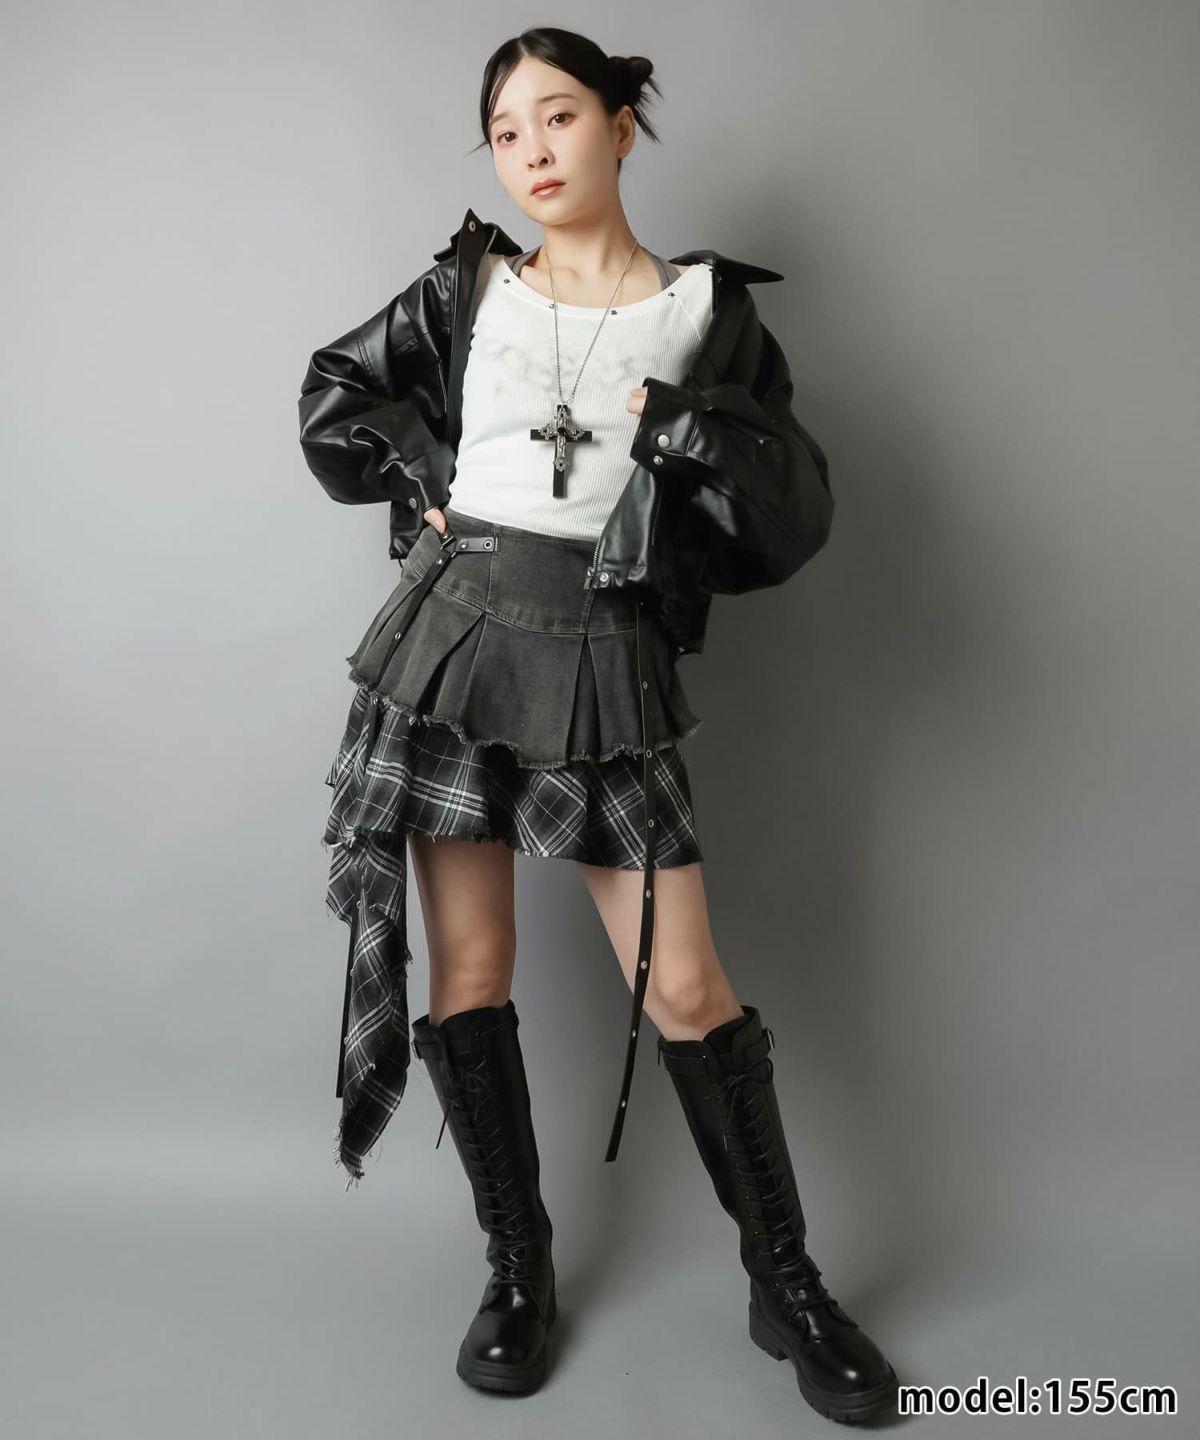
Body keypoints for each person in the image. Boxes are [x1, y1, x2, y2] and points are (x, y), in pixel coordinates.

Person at [297, 25, 898, 1422]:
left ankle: (787, 1284)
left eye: (559, 117)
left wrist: (684, 425)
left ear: (624, 125)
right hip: (453, 640)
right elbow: (336, 394)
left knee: (684, 984)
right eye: (507, 133)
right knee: (473, 966)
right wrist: (415, 458)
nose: (533, 153)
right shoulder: (466, 290)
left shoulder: (706, 312)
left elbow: (792, 504)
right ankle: (519, 1269)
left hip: (604, 653)